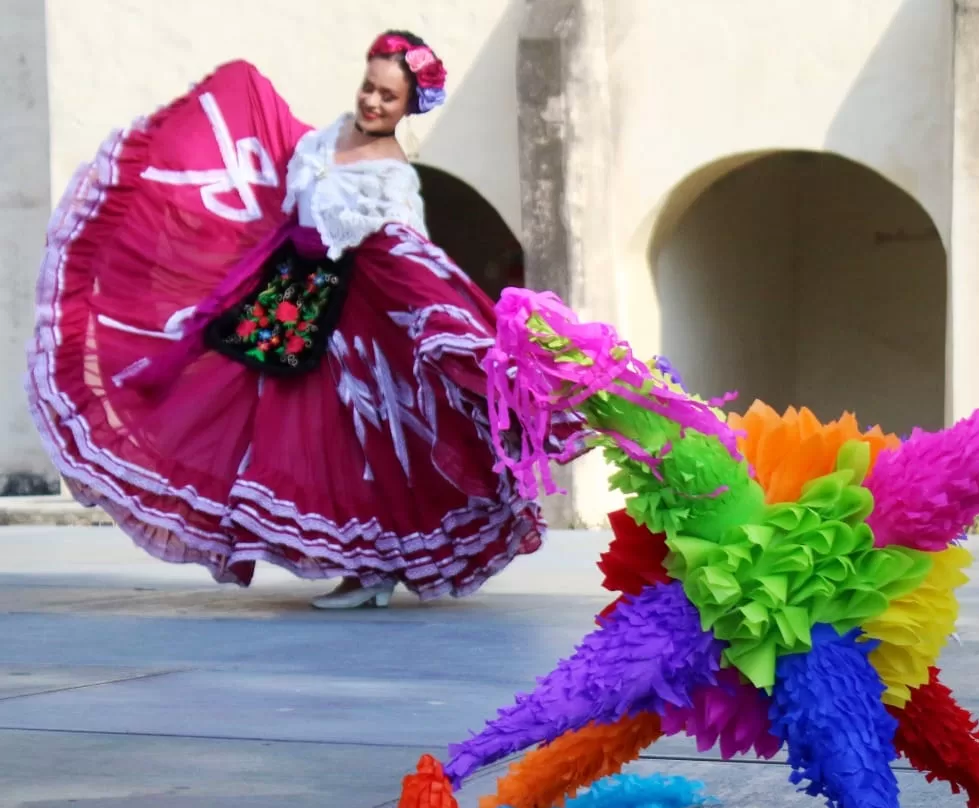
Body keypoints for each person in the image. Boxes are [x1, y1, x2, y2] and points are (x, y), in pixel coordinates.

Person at [26, 30, 582, 610]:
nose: (372, 101)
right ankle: (362, 570)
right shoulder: (322, 140)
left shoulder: (390, 177)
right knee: (246, 412)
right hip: (291, 302)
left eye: (388, 96)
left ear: (407, 107)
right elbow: (280, 187)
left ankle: (370, 571)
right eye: (369, 87)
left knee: (354, 445)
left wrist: (452, 331)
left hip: (352, 329)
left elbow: (406, 259)